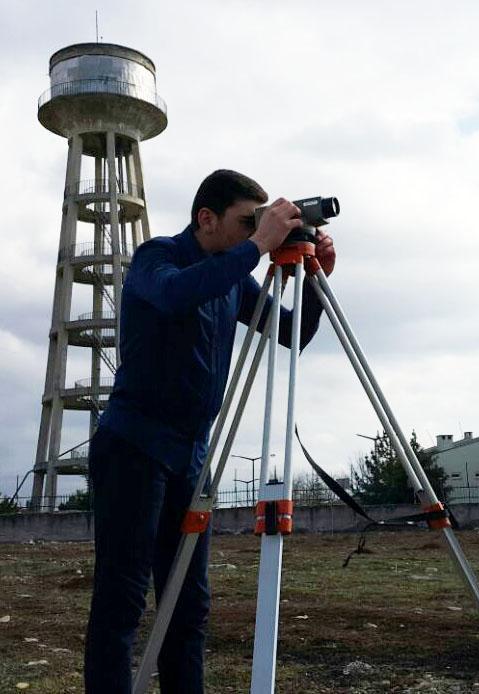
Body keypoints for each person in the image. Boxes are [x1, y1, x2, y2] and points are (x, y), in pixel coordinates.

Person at [84, 170, 336, 693]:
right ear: (206, 218)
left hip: (191, 458)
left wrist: (314, 281)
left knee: (187, 603)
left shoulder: (231, 279)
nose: (255, 233)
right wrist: (258, 246)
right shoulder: (159, 258)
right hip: (134, 448)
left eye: (260, 223)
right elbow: (176, 295)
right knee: (123, 598)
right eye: (247, 222)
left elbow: (290, 333)